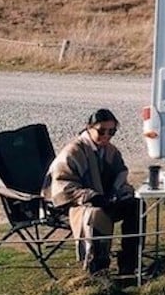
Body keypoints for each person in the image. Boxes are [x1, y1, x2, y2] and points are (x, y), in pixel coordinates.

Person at [45, 108, 139, 276]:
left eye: (112, 131)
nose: (107, 135)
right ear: (89, 128)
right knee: (96, 214)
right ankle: (97, 269)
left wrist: (121, 192)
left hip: (104, 198)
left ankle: (129, 264)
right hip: (72, 205)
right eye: (102, 131)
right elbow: (60, 185)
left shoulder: (111, 151)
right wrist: (90, 196)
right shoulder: (73, 151)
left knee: (136, 206)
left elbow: (121, 174)